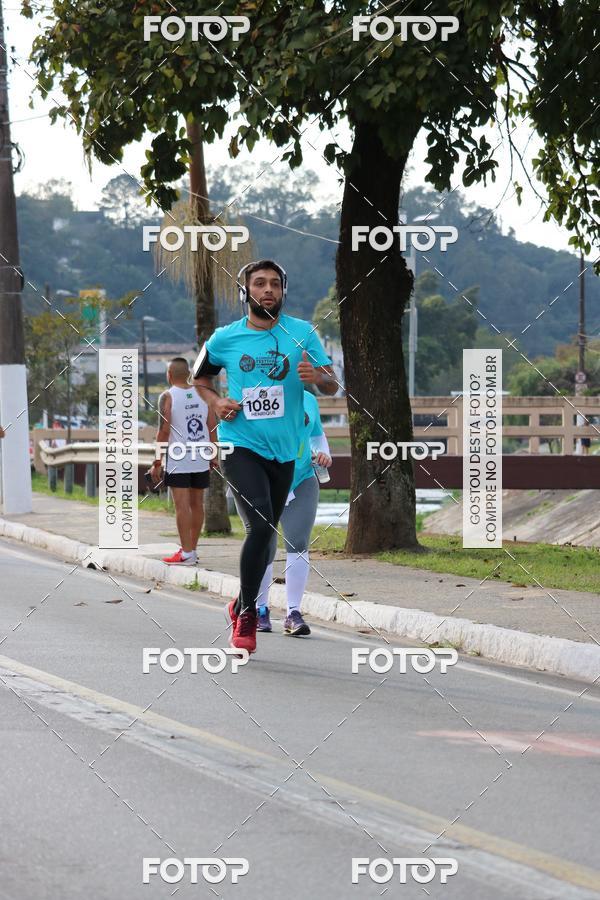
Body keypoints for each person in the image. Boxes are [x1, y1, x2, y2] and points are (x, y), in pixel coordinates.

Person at [192, 259, 337, 653]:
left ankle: (239, 603)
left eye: (275, 284)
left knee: (267, 530)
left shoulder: (302, 333)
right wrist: (217, 400)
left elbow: (331, 385)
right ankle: (247, 617)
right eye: (260, 284)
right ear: (247, 292)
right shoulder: (225, 338)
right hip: (240, 443)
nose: (268, 290)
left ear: (283, 291)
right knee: (259, 524)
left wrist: (318, 378)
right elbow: (200, 378)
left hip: (286, 450)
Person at [255, 388, 332, 636]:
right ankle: (260, 609)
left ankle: (293, 613)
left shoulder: (308, 399)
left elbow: (317, 435)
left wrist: (323, 454)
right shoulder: (259, 394)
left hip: (302, 478)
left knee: (298, 543)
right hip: (266, 479)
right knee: (264, 543)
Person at [153, 357, 215, 566]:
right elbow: (211, 425)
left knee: (182, 506)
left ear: (169, 375)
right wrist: (213, 454)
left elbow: (163, 431)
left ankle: (186, 552)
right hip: (200, 456)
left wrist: (157, 460)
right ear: (188, 374)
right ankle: (192, 550)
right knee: (197, 504)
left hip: (179, 459)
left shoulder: (167, 396)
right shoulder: (203, 395)